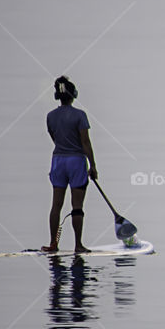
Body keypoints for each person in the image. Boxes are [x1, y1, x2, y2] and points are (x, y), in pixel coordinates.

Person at [42, 76, 97, 253]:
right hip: (76, 162)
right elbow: (85, 142)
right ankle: (78, 245)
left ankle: (52, 244)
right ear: (73, 95)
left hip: (58, 160)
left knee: (56, 205)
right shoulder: (80, 115)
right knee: (77, 206)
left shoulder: (50, 116)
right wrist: (93, 166)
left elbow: (54, 138)